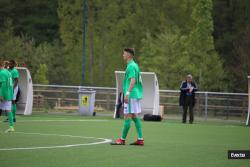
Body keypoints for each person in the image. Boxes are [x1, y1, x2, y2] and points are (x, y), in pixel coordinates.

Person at [111, 48, 144, 146]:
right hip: (135, 94)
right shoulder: (135, 65)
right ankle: (140, 139)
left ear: (129, 55)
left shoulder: (131, 66)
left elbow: (133, 81)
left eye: (124, 54)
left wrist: (127, 93)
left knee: (127, 116)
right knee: (133, 116)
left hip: (131, 95)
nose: (123, 55)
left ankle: (122, 139)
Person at [0, 60, 15, 132]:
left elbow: (2, 85)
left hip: (3, 94)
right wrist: (11, 94)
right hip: (9, 94)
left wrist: (1, 95)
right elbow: (11, 85)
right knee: (9, 110)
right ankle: (11, 127)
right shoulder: (9, 73)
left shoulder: (2, 73)